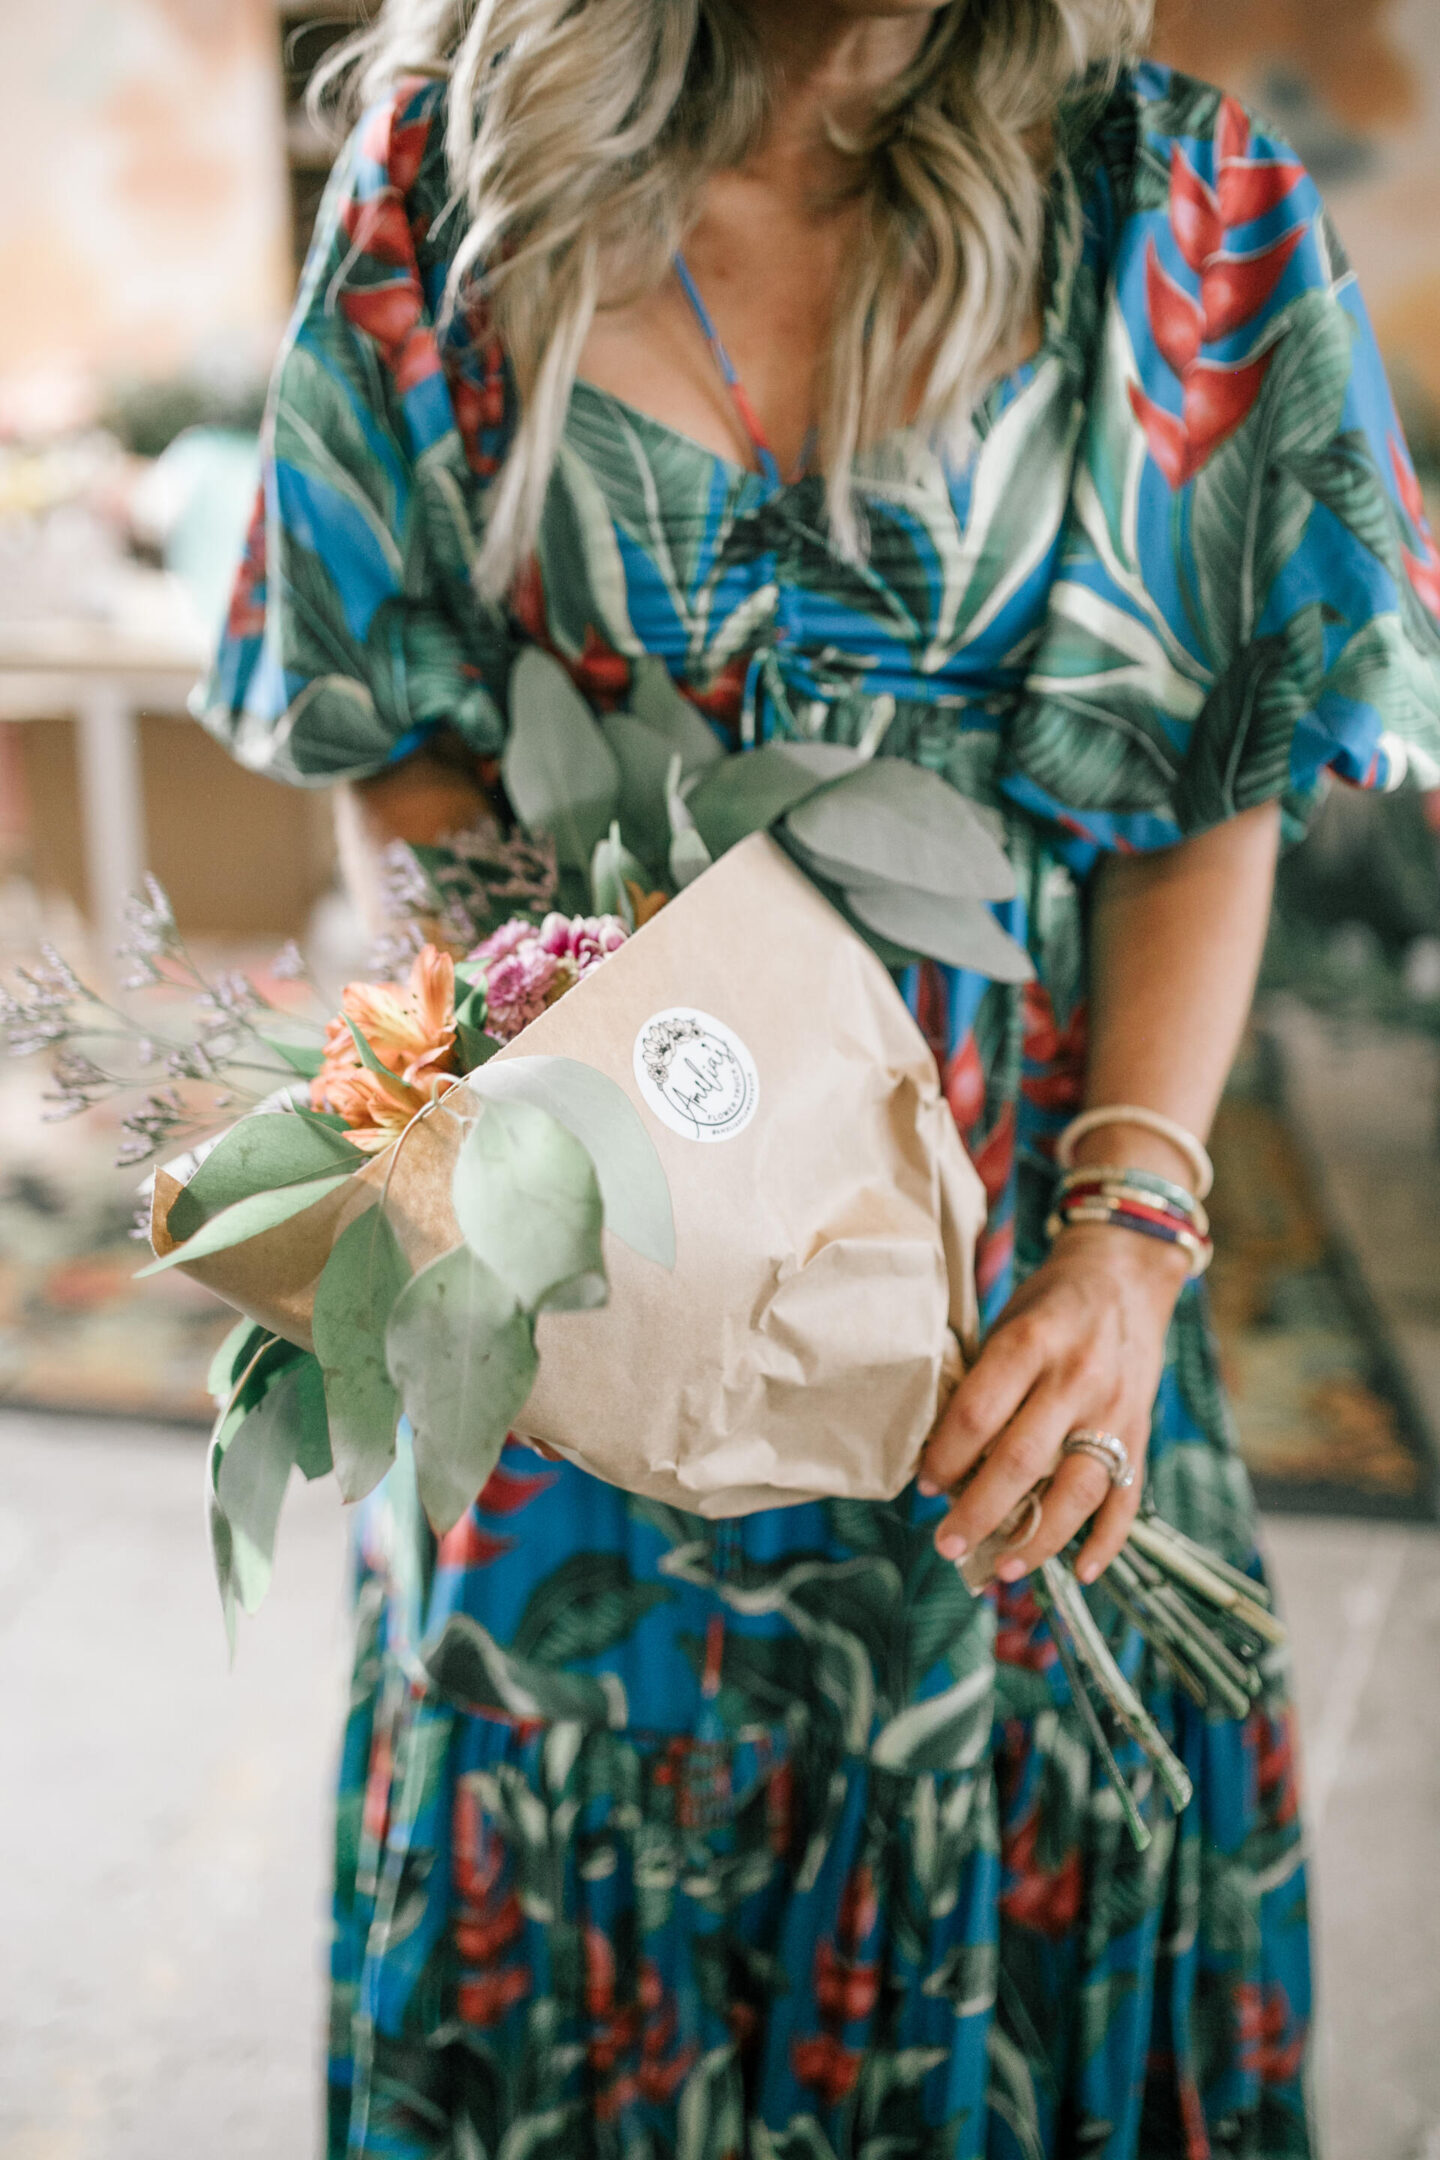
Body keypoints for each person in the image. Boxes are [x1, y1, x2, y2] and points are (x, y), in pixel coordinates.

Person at [201, 2, 1440, 2153]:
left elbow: (1216, 776)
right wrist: (537, 1058)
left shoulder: (1178, 207)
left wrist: (1132, 1242)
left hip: (1009, 1287)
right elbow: (380, 713)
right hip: (589, 1265)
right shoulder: (440, 185)